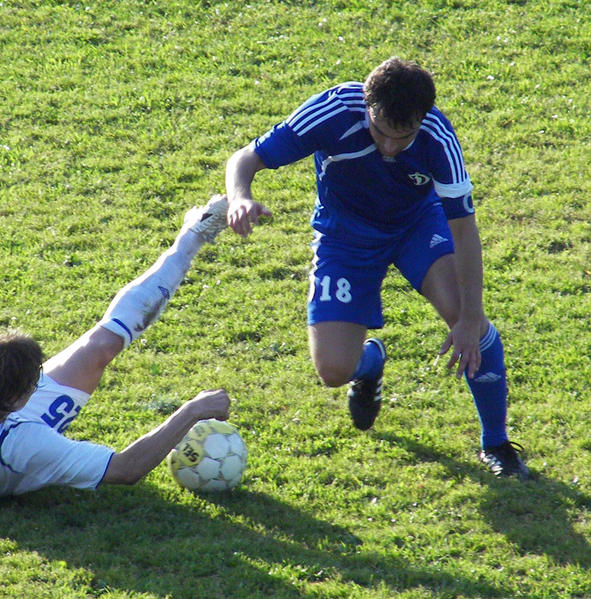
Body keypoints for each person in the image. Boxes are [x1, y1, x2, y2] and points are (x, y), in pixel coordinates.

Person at [224, 57, 529, 480]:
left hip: (416, 227)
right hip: (344, 236)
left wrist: (470, 319)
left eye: (402, 137)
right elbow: (245, 159)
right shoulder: (332, 111)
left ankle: (496, 444)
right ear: (367, 106)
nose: (388, 147)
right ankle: (369, 365)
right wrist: (240, 197)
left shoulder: (438, 137)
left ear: (422, 119)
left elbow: (464, 231)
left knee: (467, 320)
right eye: (379, 131)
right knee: (333, 371)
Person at [0, 196, 232, 498]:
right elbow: (126, 468)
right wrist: (193, 410)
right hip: (3, 432)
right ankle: (192, 237)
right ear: (21, 401)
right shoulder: (28, 443)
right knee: (102, 345)